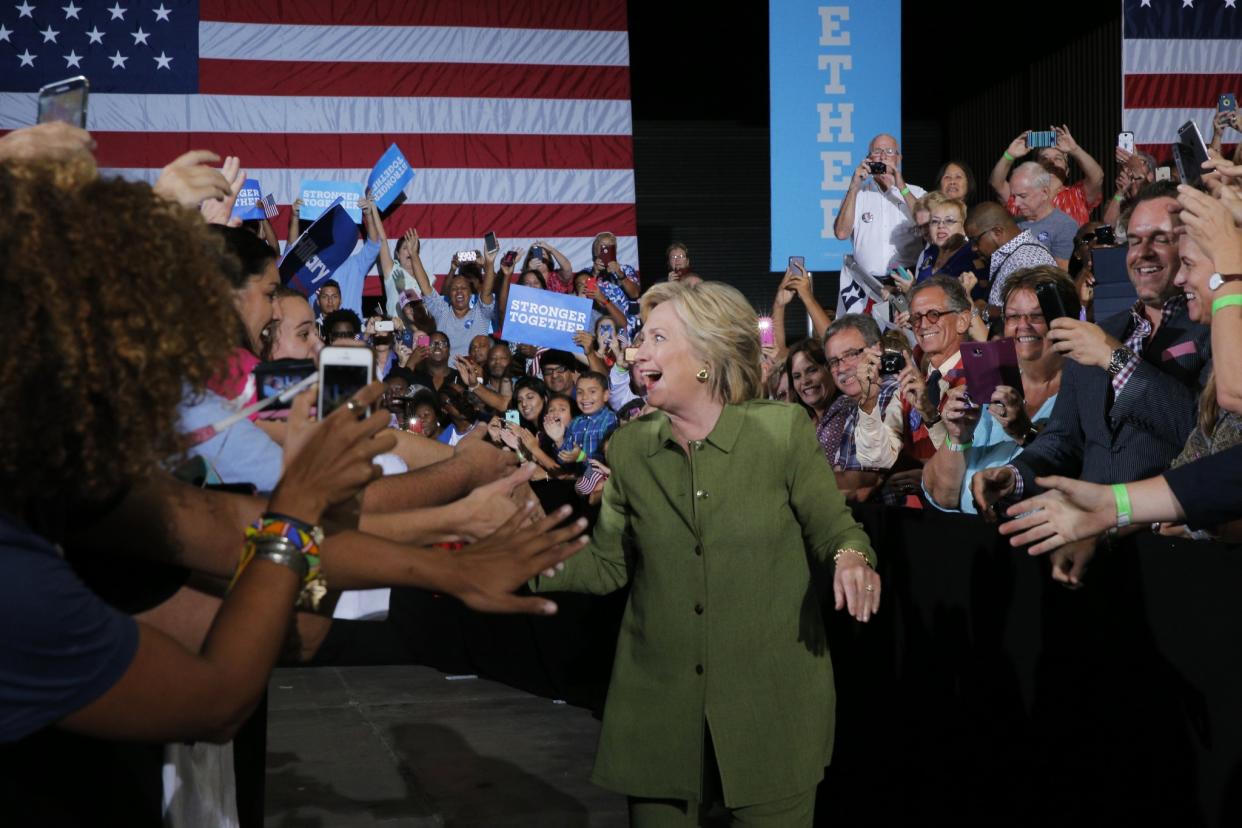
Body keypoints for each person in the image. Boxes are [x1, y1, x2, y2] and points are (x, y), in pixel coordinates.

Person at [531, 280, 879, 827]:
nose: (637, 352)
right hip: (657, 710)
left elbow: (836, 529)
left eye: (657, 338)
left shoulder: (781, 432)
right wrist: (517, 562)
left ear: (706, 356)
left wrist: (852, 558)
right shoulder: (630, 447)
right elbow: (606, 564)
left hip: (773, 707)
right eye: (640, 339)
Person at [971, 183, 1211, 586]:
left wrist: (1113, 358)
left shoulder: (1212, 330)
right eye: (1134, 240)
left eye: (1160, 239)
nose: (1143, 253)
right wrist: (1014, 475)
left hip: (1176, 554)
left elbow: (1200, 432)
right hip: (1088, 551)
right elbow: (1064, 439)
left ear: (1189, 247)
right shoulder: (1098, 332)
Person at [922, 267, 1076, 513]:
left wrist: (1025, 433)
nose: (1022, 326)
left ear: (1064, 319)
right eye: (1013, 317)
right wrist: (957, 437)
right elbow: (941, 497)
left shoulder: (1086, 388)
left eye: (1036, 316)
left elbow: (1082, 476)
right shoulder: (988, 384)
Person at [820, 314, 905, 502]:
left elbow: (868, 480)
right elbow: (842, 473)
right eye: (833, 361)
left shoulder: (890, 391)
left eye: (850, 354)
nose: (841, 368)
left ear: (878, 350)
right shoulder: (851, 402)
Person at [834, 133, 927, 284]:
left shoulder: (917, 193)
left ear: (899, 158)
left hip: (907, 280)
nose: (883, 156)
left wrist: (901, 186)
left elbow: (926, 222)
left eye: (889, 151)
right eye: (877, 151)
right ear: (869, 159)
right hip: (867, 284)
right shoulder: (858, 194)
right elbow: (842, 233)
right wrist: (853, 187)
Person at [989, 125, 1104, 225]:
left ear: (1067, 171)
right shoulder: (1021, 196)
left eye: (1058, 158)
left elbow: (1097, 177)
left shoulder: (1078, 195)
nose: (1051, 162)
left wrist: (1075, 150)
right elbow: (996, 184)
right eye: (1044, 158)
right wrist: (1009, 155)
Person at [965, 201, 1058, 313]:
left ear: (997, 232)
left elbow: (1030, 314)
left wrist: (984, 310)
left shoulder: (1025, 261)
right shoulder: (1015, 255)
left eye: (974, 240)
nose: (973, 248)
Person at [1008, 162, 1078, 267]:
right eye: (1014, 196)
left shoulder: (1064, 225)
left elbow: (1061, 275)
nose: (1016, 203)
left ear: (1045, 192)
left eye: (1023, 196)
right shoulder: (1013, 223)